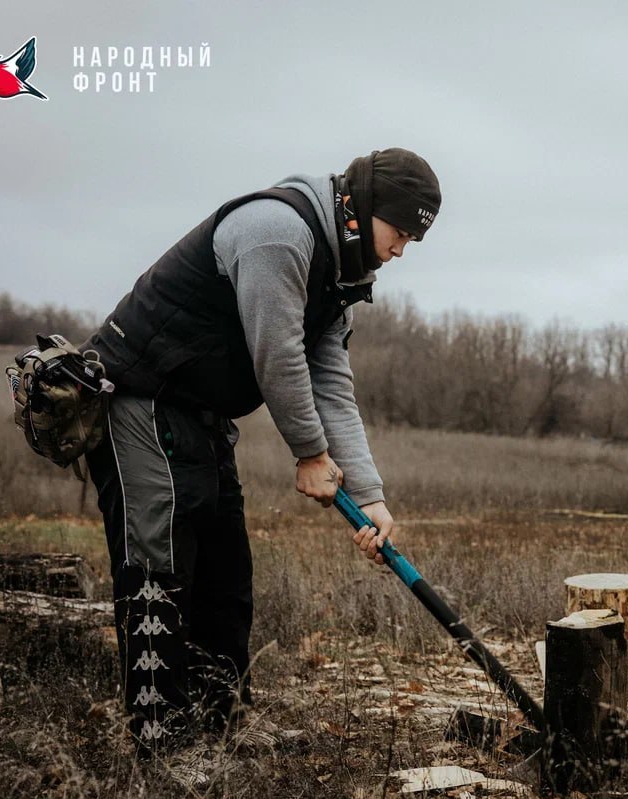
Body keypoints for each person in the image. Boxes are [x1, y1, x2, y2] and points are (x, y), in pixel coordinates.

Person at [80, 148, 441, 752]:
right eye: (400, 232)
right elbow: (277, 353)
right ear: (366, 208)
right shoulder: (276, 234)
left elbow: (329, 376)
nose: (401, 249)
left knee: (226, 571)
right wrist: (308, 452)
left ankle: (221, 722)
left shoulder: (342, 268)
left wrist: (369, 495)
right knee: (160, 565)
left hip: (203, 413)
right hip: (139, 400)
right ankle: (160, 742)